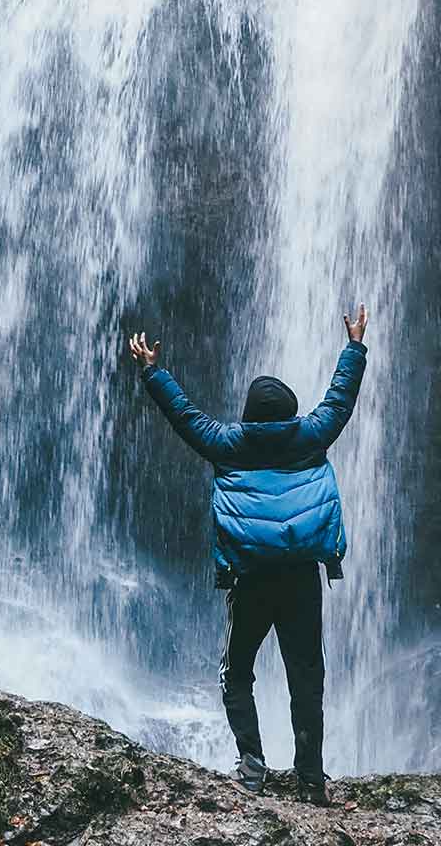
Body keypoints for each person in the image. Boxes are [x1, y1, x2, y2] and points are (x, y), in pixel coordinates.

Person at [126, 304, 368, 806]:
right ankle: (310, 779)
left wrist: (152, 371)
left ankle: (252, 766)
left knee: (236, 672)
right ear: (290, 411)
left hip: (253, 580)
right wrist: (354, 346)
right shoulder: (311, 434)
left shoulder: (228, 444)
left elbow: (184, 416)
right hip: (301, 578)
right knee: (307, 677)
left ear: (251, 413)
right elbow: (340, 399)